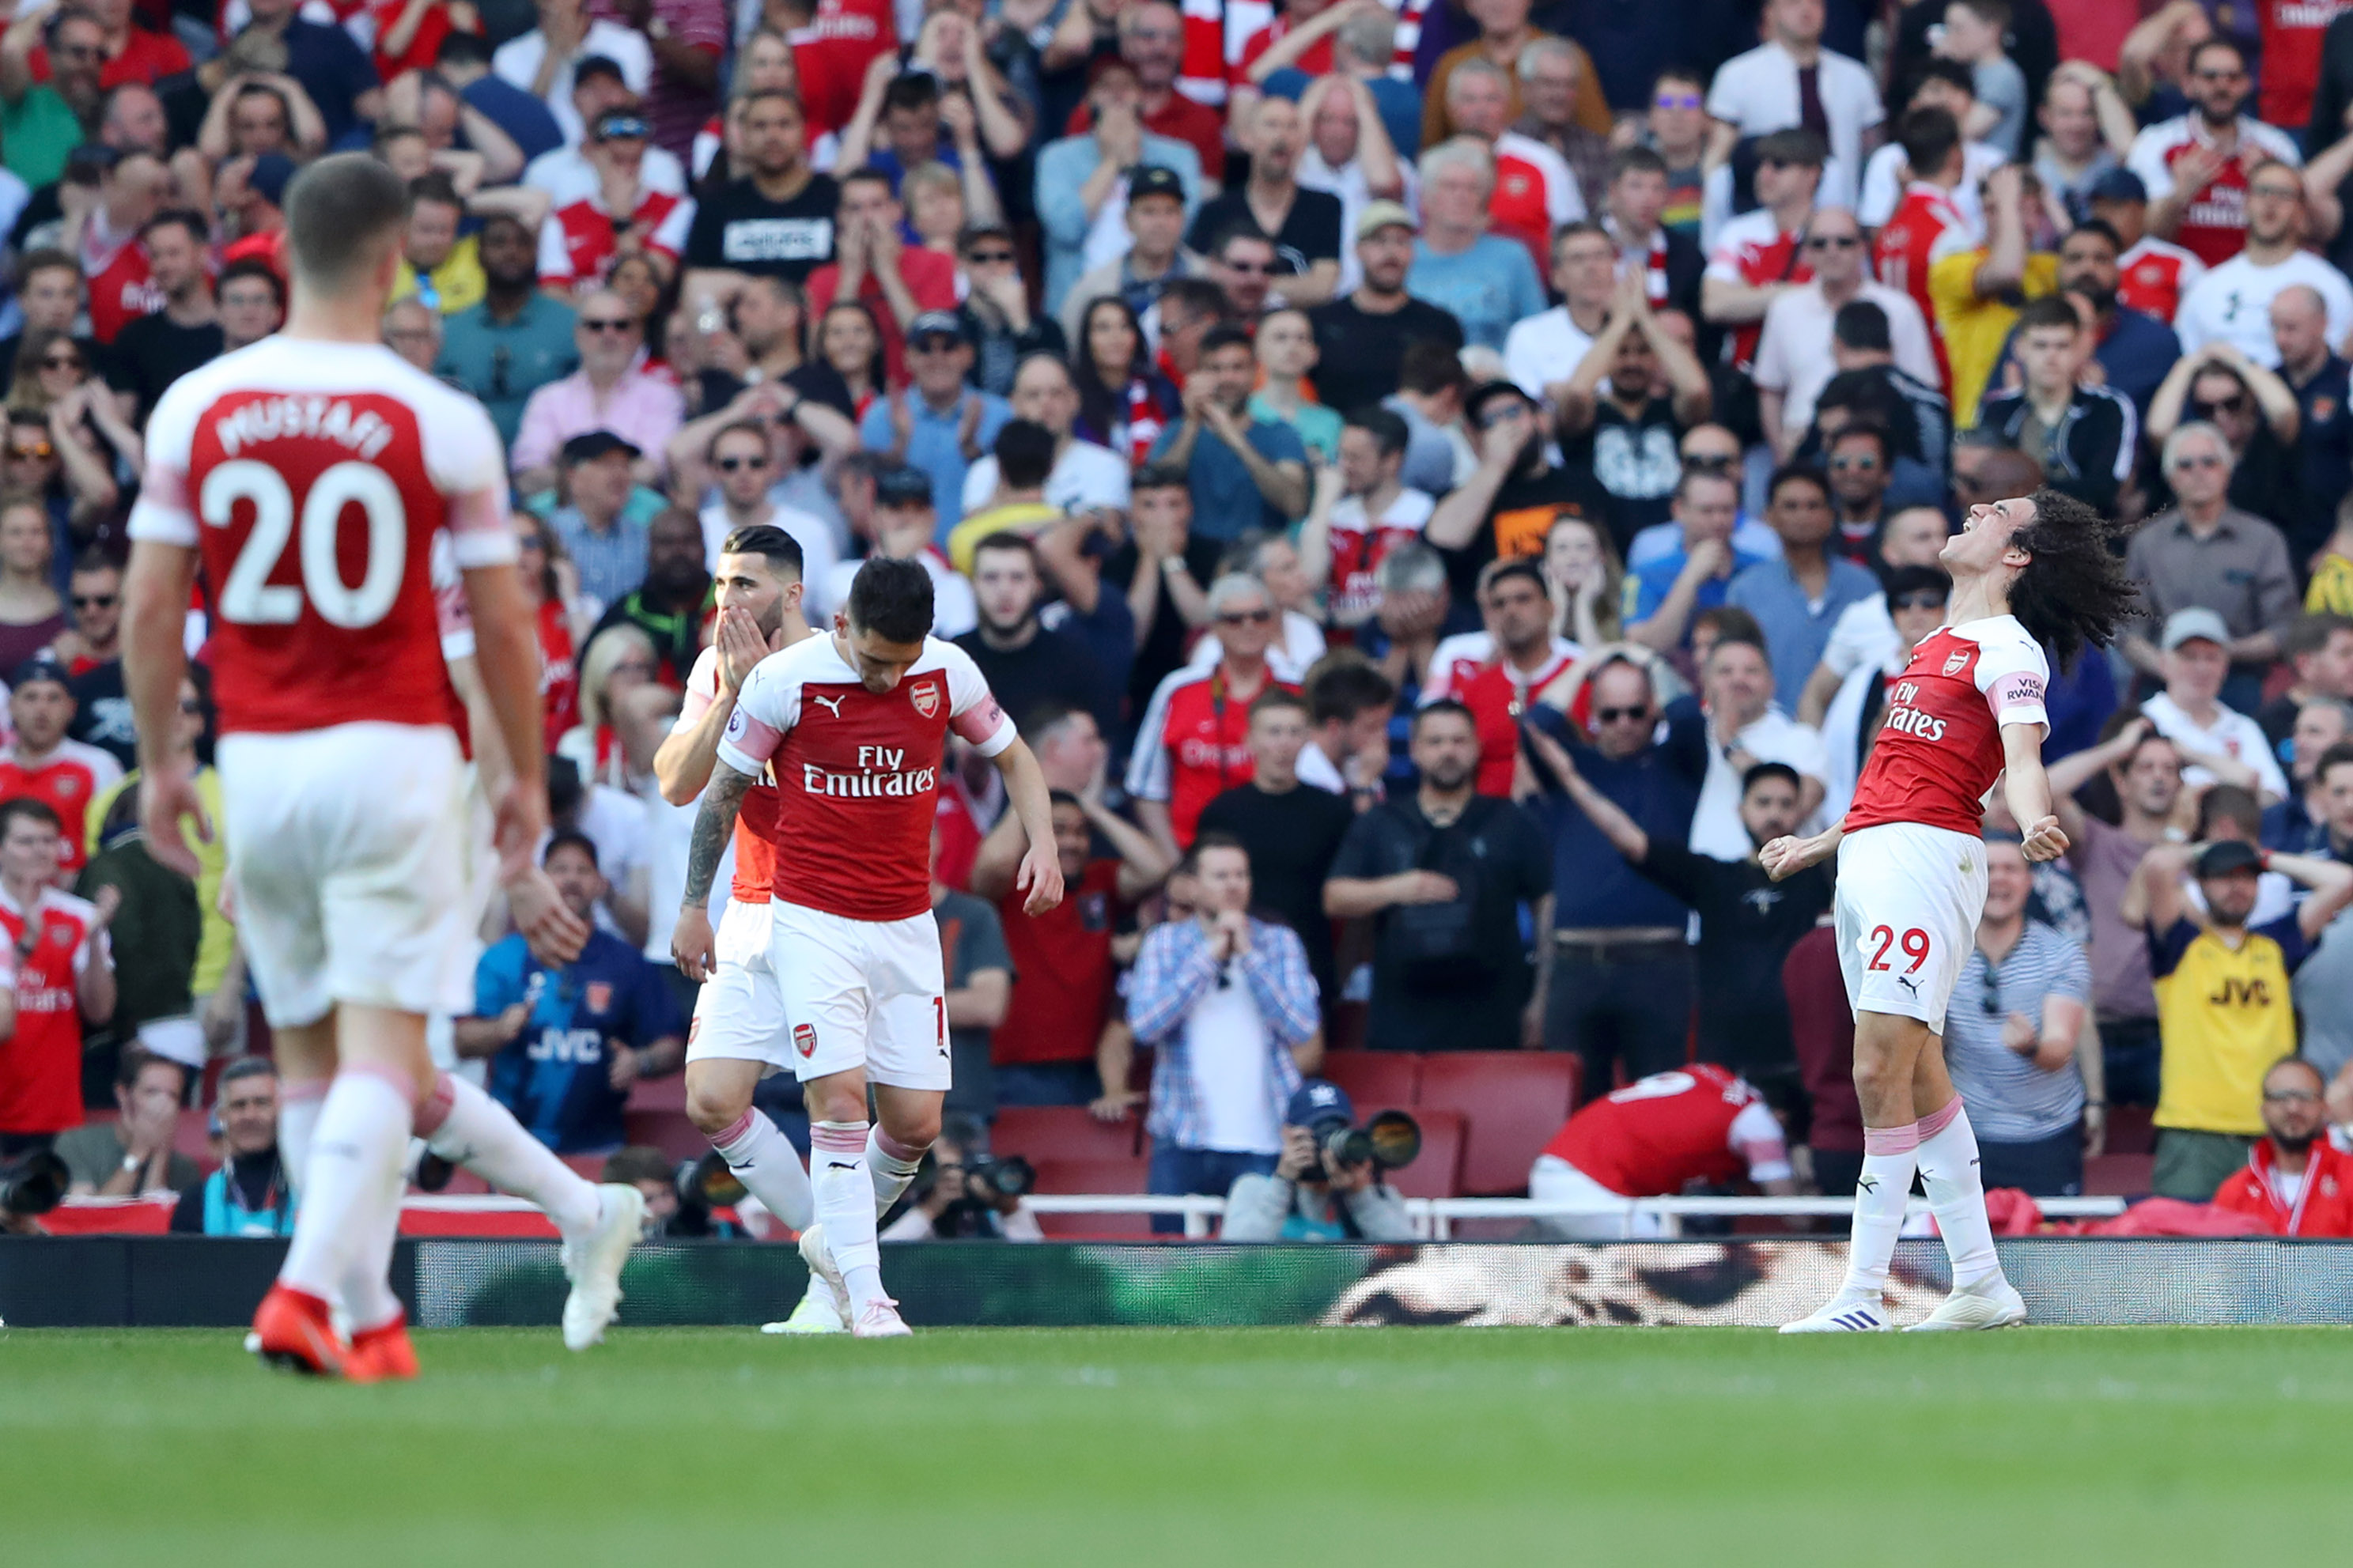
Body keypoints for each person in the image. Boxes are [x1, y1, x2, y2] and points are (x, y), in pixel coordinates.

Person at [119, 153, 633, 1381]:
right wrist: (521, 781)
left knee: (309, 1049)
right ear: (398, 255)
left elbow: (149, 602)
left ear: (278, 252)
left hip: (262, 764)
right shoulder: (438, 418)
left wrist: (160, 758)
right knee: (382, 1057)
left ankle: (360, 1311)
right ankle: (315, 1292)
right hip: (395, 754)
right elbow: (506, 628)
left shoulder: (199, 403)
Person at [1763, 486, 2137, 1332]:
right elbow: (1896, 771)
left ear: (2015, 555)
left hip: (1923, 859)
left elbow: (2019, 756)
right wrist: (1818, 844)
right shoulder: (1934, 640)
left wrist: (2035, 817)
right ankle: (1980, 1284)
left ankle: (1860, 1295)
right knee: (1920, 1075)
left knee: (1876, 1068)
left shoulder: (2009, 649)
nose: (1974, 508)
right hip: (1869, 854)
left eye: (1997, 511)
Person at [672, 557, 1062, 1336]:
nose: (889, 679)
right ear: (842, 625)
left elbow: (1015, 757)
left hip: (906, 926)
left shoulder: (945, 671)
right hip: (810, 920)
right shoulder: (786, 680)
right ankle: (869, 1294)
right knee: (839, 1100)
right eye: (877, 660)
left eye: (903, 661)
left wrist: (1042, 845)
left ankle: (831, 1262)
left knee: (916, 1124)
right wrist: (692, 906)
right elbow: (721, 792)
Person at [648, 523, 823, 1301]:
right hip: (753, 906)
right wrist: (727, 693)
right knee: (712, 1099)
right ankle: (839, 1258)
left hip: (841, 912)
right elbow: (677, 783)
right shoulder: (712, 668)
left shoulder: (841, 666)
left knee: (863, 1111)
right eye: (722, 586)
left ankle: (845, 1275)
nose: (728, 602)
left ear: (791, 593)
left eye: (745, 585)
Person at [1534, 728, 1833, 1094]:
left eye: (1786, 804)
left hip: (1798, 1053)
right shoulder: (1712, 876)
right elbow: (1631, 841)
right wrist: (1569, 778)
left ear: (1800, 811)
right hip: (1723, 1058)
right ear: (1741, 810)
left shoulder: (1822, 879)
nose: (1774, 814)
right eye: (1764, 802)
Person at [2124, 839, 2353, 1200]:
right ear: (2200, 884)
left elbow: (2344, 882)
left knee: (2272, 1254)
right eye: (2222, 876)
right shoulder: (2181, 944)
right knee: (2185, 1253)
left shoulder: (2276, 944)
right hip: (2192, 1133)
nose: (2236, 886)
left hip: (2272, 1130)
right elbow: (2157, 864)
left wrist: (2265, 856)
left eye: (2248, 877)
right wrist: (2209, 849)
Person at [1324, 700, 1551, 1053]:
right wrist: (1399, 887)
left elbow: (1548, 904)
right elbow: (1335, 897)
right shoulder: (1381, 822)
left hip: (1491, 1019)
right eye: (1436, 742)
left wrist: (1540, 999)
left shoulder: (1511, 821)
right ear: (1414, 750)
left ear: (1477, 748)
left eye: (1459, 741)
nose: (1448, 751)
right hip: (1400, 1022)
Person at [1127, 830, 1320, 1230]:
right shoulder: (1164, 943)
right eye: (1220, 876)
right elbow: (1145, 1026)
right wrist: (1210, 955)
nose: (1234, 885)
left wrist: (1249, 955)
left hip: (1265, 1142)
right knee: (1173, 1271)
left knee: (1257, 1274)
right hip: (1182, 1138)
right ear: (1193, 887)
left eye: (1241, 875)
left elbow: (1302, 1026)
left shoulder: (1279, 942)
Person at [467, 832, 685, 1158]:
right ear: (539, 882)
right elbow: (461, 1040)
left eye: (583, 871)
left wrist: (641, 1061)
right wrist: (499, 1029)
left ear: (599, 884)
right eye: (560, 869)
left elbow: (673, 1043)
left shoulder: (627, 964)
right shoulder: (502, 959)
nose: (572, 879)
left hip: (600, 1149)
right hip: (510, 1150)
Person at [970, 765, 1168, 1110]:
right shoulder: (1013, 884)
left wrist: (1093, 808)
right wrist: (1028, 796)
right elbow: (994, 862)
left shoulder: (1099, 880)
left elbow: (1157, 867)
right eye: (1058, 831)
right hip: (1022, 1065)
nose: (1072, 843)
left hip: (1093, 1064)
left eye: (1081, 832)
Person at [1936, 832, 2094, 1196]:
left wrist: (2030, 1047)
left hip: (2046, 1136)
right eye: (1988, 869)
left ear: (2030, 881)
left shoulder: (2062, 955)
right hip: (1965, 1135)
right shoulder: (1942, 952)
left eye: (2011, 869)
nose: (2000, 879)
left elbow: (2059, 1048)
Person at [1196, 688, 1356, 1005]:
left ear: (1308, 738)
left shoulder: (1334, 812)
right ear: (1249, 740)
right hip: (1234, 958)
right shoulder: (1223, 811)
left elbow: (1349, 900)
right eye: (1273, 732)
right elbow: (1198, 889)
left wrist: (1343, 967)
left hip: (1312, 960)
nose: (1284, 743)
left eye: (1294, 732)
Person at [2120, 427, 2298, 705]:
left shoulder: (2264, 540)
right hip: (2162, 684)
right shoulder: (2147, 542)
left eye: (2209, 462)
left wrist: (2220, 656)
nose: (2199, 472)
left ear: (2227, 470)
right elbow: (2130, 632)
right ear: (2171, 477)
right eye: (2186, 465)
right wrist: (2172, 667)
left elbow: (2284, 629)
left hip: (2241, 682)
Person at [1126, 572, 1297, 858]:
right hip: (1191, 855)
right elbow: (1146, 790)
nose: (1249, 626)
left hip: (1282, 856)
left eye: (1260, 616)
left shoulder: (1298, 688)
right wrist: (1178, 868)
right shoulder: (1177, 689)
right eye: (1234, 619)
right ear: (1214, 627)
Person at [1529, 1064, 1796, 1238]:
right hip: (1591, 1187)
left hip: (1557, 1165)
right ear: (1783, 1117)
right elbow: (1795, 1214)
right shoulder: (1759, 1121)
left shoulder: (1710, 1073)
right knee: (1677, 1271)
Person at [1754, 210, 1939, 459]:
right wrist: (1783, 457)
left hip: (1881, 449)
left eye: (1844, 242)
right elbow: (1770, 391)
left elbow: (1921, 388)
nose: (1832, 251)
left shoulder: (1899, 308)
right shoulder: (1784, 309)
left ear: (1863, 247)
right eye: (1820, 243)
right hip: (1801, 445)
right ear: (1805, 252)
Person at [1553, 278, 1713, 552]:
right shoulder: (1589, 415)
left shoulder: (1670, 411)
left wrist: (1646, 319)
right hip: (1603, 551)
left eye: (1643, 352)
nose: (1632, 362)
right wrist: (1620, 322)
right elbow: (1577, 393)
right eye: (1621, 352)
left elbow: (1697, 390)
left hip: (1671, 547)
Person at [0, 797, 115, 1158]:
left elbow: (99, 1011)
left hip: (54, 1107)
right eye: (26, 841)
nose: (40, 851)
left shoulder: (79, 916)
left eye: (49, 841)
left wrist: (96, 938)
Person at [1425, 379, 1608, 603]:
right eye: (1490, 420)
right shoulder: (1470, 494)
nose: (1505, 426)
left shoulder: (1582, 485)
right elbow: (1443, 540)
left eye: (1513, 412)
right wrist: (1495, 465)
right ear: (1475, 438)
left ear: (1539, 420)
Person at [2127, 40, 2302, 270]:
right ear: (2188, 84)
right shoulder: (2157, 142)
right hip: (2175, 279)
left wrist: (2267, 182)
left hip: (2257, 274)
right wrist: (2180, 195)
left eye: (2233, 77)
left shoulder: (2276, 147)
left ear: (2246, 85)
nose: (2222, 86)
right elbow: (2140, 234)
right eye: (2210, 77)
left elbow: (2305, 228)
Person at [1727, 466, 1879, 714]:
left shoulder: (1864, 585)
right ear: (1769, 516)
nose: (1803, 515)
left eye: (1813, 506)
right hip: (1771, 733)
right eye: (1791, 506)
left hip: (1852, 731)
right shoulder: (1746, 589)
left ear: (1831, 516)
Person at [1704, 0, 1884, 210]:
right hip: (1764, 213)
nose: (1806, 10)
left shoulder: (1856, 77)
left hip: (1841, 211)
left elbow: (1872, 155)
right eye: (1792, 3)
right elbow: (1718, 157)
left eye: (1815, 3)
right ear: (1770, 13)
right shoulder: (1737, 75)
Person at [1422, 558, 1578, 798]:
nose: (1511, 610)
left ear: (1550, 608)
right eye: (1499, 604)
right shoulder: (1475, 689)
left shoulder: (1581, 678)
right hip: (1488, 824)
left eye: (1523, 599)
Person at [2173, 163, 2352, 368]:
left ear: (2302, 211)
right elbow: (2187, 360)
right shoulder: (2207, 286)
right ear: (2245, 204)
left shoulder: (2331, 285)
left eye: (2284, 194)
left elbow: (2336, 365)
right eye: (2262, 191)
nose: (2271, 202)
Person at [1977, 297, 2136, 514]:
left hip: (2087, 535)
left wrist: (2024, 489)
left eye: (2062, 346)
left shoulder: (2108, 408)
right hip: (2009, 535)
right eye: (2040, 345)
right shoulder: (1997, 409)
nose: (2051, 357)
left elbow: (2104, 490)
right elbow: (1988, 484)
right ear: (2019, 348)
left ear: (2079, 349)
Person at [1150, 323, 1309, 541]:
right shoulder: (1176, 432)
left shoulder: (1280, 434)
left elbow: (1295, 505)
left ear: (1255, 372)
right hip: (1193, 554)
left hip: (1259, 558)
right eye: (1215, 369)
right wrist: (1192, 424)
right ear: (1199, 374)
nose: (1227, 378)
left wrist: (1235, 439)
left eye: (1238, 368)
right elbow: (1153, 493)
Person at [680, 89, 842, 294]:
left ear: (804, 131)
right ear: (744, 135)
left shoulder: (836, 198)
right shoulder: (716, 205)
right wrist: (711, 326)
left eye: (784, 125)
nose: (773, 136)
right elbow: (696, 287)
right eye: (760, 126)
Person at [1306, 202, 1464, 406]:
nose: (1391, 252)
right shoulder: (1321, 322)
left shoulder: (1440, 325)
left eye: (1402, 241)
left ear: (1413, 252)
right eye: (1379, 241)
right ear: (1357, 250)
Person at [1220, 1079, 1414, 1242]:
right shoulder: (1253, 1189)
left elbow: (1411, 1255)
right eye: (1315, 1133)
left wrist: (1360, 1195)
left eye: (1336, 1130)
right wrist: (1283, 1182)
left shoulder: (1377, 1194)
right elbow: (1235, 1255)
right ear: (1288, 1135)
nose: (1325, 1146)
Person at [1405, 138, 1547, 353]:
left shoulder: (1512, 256)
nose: (1462, 197)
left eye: (1472, 189)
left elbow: (1536, 333)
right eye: (1450, 187)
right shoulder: (1403, 255)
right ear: (1425, 197)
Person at [2138, 609, 2291, 807]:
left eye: (2211, 657)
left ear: (2225, 667)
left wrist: (2194, 757)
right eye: (2190, 657)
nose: (2202, 668)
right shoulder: (2142, 720)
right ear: (2164, 664)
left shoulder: (2243, 727)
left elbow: (2274, 801)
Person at [0, 654, 121, 878]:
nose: (41, 709)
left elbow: (116, 847)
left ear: (71, 707)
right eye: (31, 697)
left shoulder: (100, 766)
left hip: (79, 898)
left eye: (53, 698)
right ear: (12, 707)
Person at [2208, 1057, 2353, 1236]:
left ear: (2324, 1107)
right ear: (2263, 1110)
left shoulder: (2349, 1176)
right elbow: (2221, 1261)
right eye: (2281, 1097)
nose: (2293, 1108)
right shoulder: (2235, 1191)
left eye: (2305, 1097)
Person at [167, 1056, 293, 1236]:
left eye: (262, 1103)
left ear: (283, 1110)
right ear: (222, 1117)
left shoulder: (313, 1192)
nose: (250, 1115)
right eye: (239, 1105)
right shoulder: (196, 1203)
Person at [55, 1048, 190, 1196]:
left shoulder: (184, 1168)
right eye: (151, 1092)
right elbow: (94, 1215)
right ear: (123, 1095)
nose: (163, 1106)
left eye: (172, 1096)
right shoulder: (76, 1143)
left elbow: (157, 1214)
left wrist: (160, 1157)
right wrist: (138, 1152)